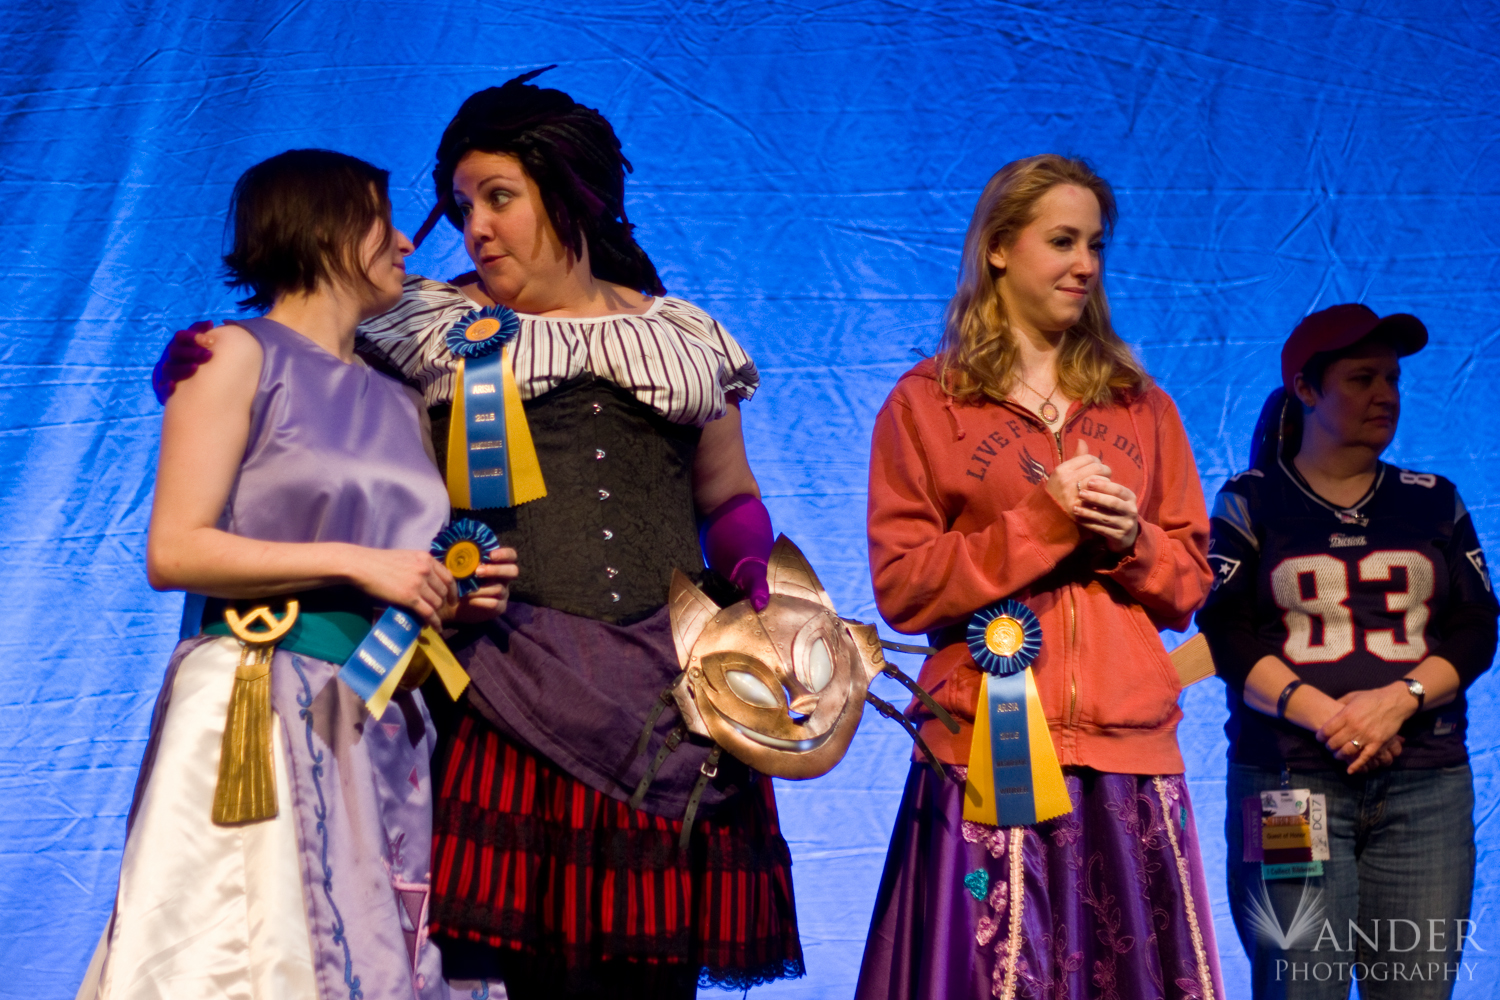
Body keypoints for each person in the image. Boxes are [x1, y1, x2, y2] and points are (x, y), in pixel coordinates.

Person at [155, 72, 801, 999]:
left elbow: (729, 494)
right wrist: (202, 361)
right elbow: (306, 362)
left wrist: (762, 591)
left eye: (499, 198)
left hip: (673, 694)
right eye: (463, 207)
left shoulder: (682, 337)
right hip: (509, 686)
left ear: (572, 195)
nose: (476, 230)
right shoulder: (427, 326)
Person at [86, 149, 523, 1000]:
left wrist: (449, 593)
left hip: (375, 712)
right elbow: (175, 550)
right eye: (383, 220)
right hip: (262, 693)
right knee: (257, 952)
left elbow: (393, 559)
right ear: (324, 230)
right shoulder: (233, 353)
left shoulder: (398, 398)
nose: (407, 242)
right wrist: (361, 563)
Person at [857, 154, 1224, 999]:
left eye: (1095, 245)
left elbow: (1190, 585)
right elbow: (904, 587)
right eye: (1062, 241)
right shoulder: (927, 404)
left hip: (1126, 764)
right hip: (987, 761)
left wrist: (1132, 540)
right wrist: (1041, 525)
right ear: (998, 248)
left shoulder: (1141, 404)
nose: (1084, 264)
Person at [1196, 303, 1498, 1000]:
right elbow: (1226, 632)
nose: (1385, 394)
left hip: (1425, 786)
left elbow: (1477, 626)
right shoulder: (1251, 501)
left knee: (1417, 989)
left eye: (1393, 379)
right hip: (1287, 785)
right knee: (1299, 986)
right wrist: (1332, 718)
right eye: (1362, 379)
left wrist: (1397, 701)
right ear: (1306, 389)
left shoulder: (1434, 500)